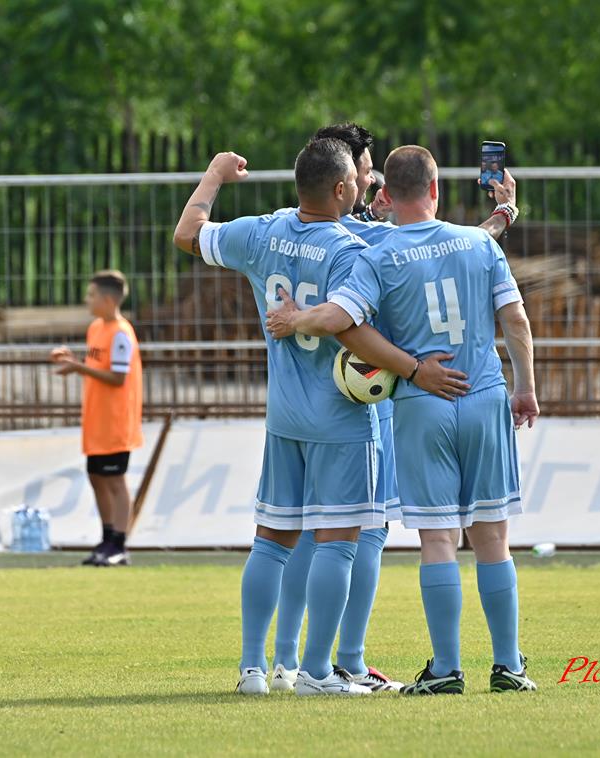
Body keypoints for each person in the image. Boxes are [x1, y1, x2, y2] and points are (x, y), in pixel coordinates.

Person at [172, 140, 467, 696]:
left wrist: (213, 175)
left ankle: (253, 669)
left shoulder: (262, 231)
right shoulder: (352, 250)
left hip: (284, 415)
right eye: (357, 178)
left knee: (270, 541)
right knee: (339, 542)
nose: (362, 185)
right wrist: (413, 369)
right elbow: (350, 327)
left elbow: (188, 233)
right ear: (339, 188)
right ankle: (317, 671)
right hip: (342, 417)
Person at [265, 145, 537, 694]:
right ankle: (509, 666)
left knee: (438, 541)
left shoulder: (379, 254)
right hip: (484, 394)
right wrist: (525, 389)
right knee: (493, 537)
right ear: (436, 189)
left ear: (386, 195)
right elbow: (515, 320)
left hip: (422, 403)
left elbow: (340, 319)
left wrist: (296, 320)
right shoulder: (479, 243)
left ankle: (446, 670)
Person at [50, 270, 144, 567]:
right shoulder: (96, 328)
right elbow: (98, 365)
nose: (86, 300)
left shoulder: (121, 333)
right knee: (96, 477)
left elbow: (117, 378)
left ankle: (119, 544)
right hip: (96, 421)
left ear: (107, 300)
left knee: (115, 481)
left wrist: (77, 368)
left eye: (91, 295)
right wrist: (73, 360)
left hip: (115, 421)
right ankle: (106, 539)